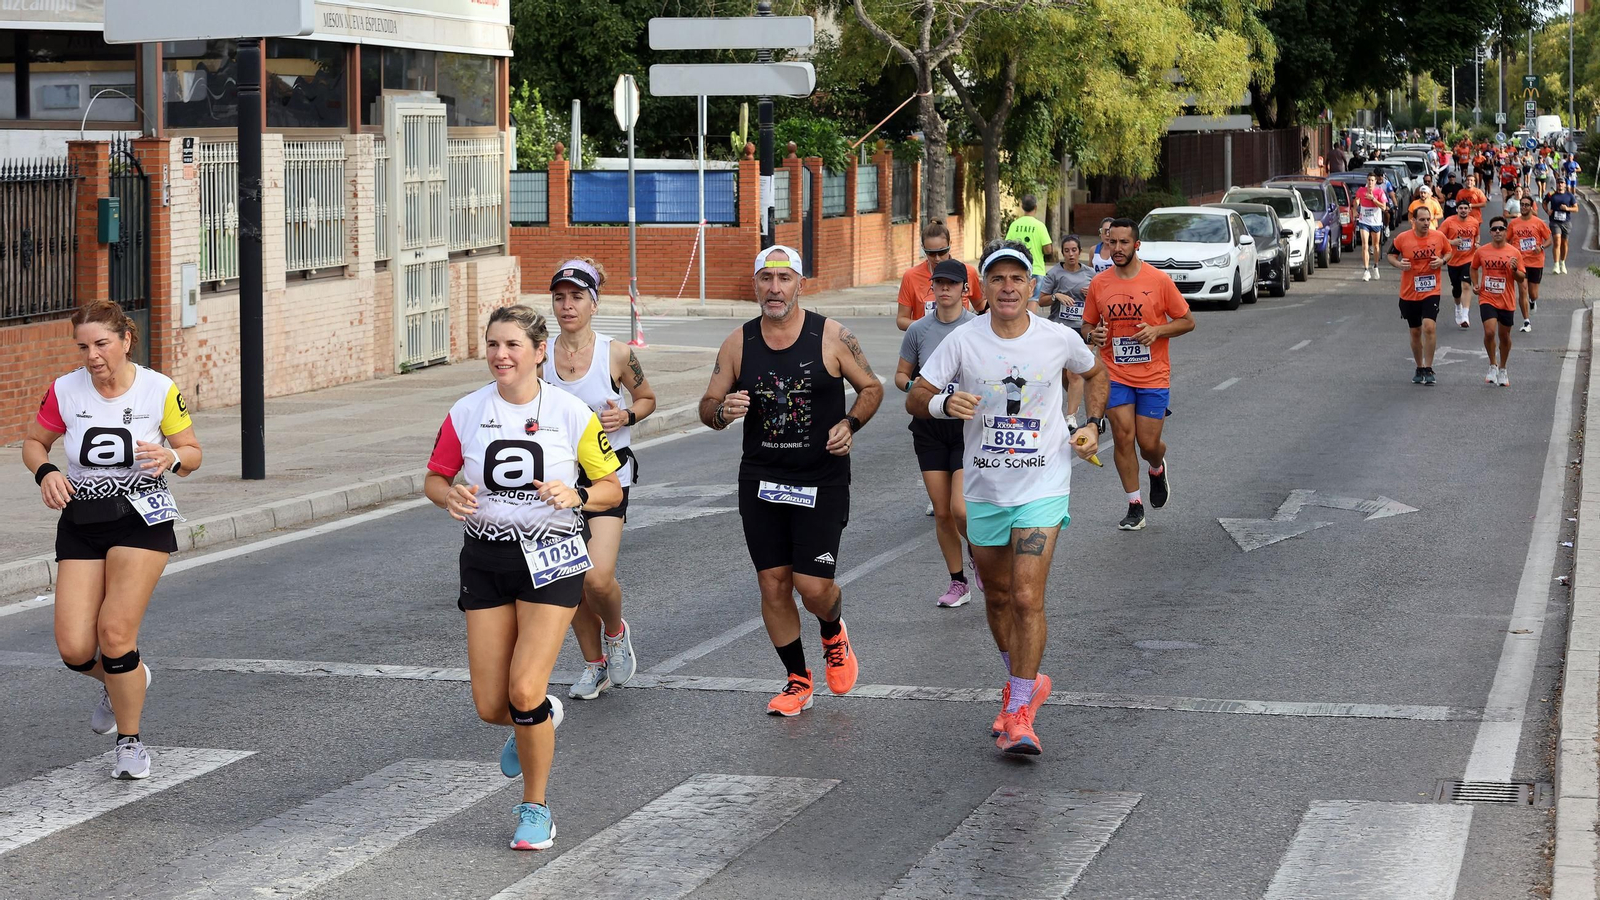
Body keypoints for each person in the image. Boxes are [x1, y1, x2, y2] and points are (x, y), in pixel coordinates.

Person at [426, 304, 624, 852]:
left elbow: (611, 487)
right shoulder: (465, 411)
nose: (500, 355)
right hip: (486, 559)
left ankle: (535, 809)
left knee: (523, 688)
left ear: (540, 352)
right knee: (492, 706)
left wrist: (577, 494)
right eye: (493, 344)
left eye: (512, 345)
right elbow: (434, 478)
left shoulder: (569, 412)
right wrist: (451, 495)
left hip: (552, 556)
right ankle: (540, 718)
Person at [907, 239, 1108, 756]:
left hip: (1043, 485)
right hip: (984, 488)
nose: (1008, 287)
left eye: (1017, 278)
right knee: (996, 597)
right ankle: (1022, 681)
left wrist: (1091, 425)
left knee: (1025, 596)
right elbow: (916, 395)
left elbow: (1095, 372)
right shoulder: (963, 341)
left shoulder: (1056, 338)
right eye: (997, 279)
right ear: (985, 287)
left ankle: (1020, 710)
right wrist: (947, 402)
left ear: (1030, 285)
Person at [699, 245, 883, 716]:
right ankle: (797, 679)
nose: (774, 288)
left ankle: (833, 630)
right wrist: (722, 412)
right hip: (762, 478)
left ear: (800, 283)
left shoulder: (832, 336)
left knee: (813, 586)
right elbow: (708, 404)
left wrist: (850, 425)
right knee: (773, 583)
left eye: (783, 279)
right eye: (765, 279)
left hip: (821, 478)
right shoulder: (739, 343)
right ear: (755, 284)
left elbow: (872, 387)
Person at [23, 300, 201, 781]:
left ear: (126, 339)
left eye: (101, 343)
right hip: (82, 518)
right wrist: (46, 472)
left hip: (142, 516)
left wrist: (170, 457)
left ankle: (129, 742)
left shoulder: (158, 388)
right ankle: (127, 677)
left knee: (115, 634)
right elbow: (34, 443)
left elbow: (193, 452)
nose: (93, 355)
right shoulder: (65, 389)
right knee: (76, 650)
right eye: (83, 346)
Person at [543, 259, 654, 701]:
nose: (567, 306)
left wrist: (625, 414)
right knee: (569, 578)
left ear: (594, 301)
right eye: (559, 297)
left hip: (608, 475)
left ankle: (615, 630)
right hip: (557, 484)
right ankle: (594, 666)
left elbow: (646, 397)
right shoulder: (539, 354)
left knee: (597, 578)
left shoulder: (617, 354)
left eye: (576, 297)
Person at [1081, 218, 1196, 532]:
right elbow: (1087, 326)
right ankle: (1134, 504)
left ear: (1136, 245)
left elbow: (1187, 321)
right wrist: (1094, 337)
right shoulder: (1099, 284)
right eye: (1112, 242)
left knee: (1148, 444)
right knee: (1122, 436)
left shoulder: (1158, 281)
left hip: (1153, 376)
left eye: (1123, 243)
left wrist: (1158, 330)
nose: (1117, 249)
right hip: (1113, 373)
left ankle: (1156, 468)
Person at [895, 259, 980, 608]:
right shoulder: (919, 330)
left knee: (961, 510)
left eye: (951, 284)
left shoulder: (978, 328)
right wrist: (919, 388)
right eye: (939, 283)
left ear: (965, 289)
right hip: (929, 428)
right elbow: (901, 376)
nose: (944, 290)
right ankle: (958, 582)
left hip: (966, 429)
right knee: (942, 512)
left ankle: (979, 556)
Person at [1036, 234, 1095, 430]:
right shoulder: (1054, 274)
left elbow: (1100, 301)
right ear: (1063, 252)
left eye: (1074, 250)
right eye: (1067, 251)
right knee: (1064, 376)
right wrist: (1056, 295)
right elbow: (1041, 300)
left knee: (1075, 373)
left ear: (1080, 252)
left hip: (1082, 328)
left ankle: (1070, 417)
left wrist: (1092, 294)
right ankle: (1078, 399)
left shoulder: (1090, 273)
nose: (1071, 254)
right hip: (1059, 328)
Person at [1387, 205, 1451, 384]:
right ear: (1413, 221)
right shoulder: (1402, 238)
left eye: (1428, 219)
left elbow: (1449, 252)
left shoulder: (1438, 236)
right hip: (1409, 292)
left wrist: (1442, 260)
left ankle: (1429, 368)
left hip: (1431, 290)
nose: (1425, 223)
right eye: (1421, 219)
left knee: (1429, 327)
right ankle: (1419, 367)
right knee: (1415, 331)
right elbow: (1391, 255)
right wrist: (1399, 264)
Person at [896, 220, 983, 331]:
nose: (937, 258)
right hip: (926, 342)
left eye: (942, 252)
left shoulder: (968, 272)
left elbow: (981, 306)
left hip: (958, 342)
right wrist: (929, 327)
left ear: (950, 244)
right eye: (931, 253)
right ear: (923, 249)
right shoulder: (911, 276)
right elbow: (902, 320)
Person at [1471, 216, 1525, 387]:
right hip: (1487, 297)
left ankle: (1503, 368)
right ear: (1490, 232)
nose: (1497, 232)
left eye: (1501, 228)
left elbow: (1521, 277)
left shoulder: (1514, 252)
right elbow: (1473, 267)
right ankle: (1492, 365)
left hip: (1506, 299)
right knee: (1489, 332)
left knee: (1505, 336)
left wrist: (1515, 269)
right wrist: (1476, 283)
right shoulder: (1482, 251)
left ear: (1505, 231)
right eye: (1494, 229)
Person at [1505, 199, 1550, 333]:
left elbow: (1549, 239)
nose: (1524, 207)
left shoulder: (1539, 223)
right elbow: (1507, 240)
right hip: (1520, 262)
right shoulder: (1513, 223)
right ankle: (1526, 321)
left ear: (1531, 207)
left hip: (1536, 261)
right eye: (1522, 205)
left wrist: (1541, 246)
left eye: (1526, 205)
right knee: (1522, 289)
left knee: (1533, 293)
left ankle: (1532, 300)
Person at [1438, 201, 1481, 329]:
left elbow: (1477, 235)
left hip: (1469, 259)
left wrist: (1477, 243)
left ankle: (1465, 316)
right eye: (1460, 208)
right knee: (1456, 289)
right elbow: (1439, 237)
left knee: (1466, 285)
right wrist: (1452, 241)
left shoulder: (1474, 222)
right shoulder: (1449, 222)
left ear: (1469, 210)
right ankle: (1458, 307)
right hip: (1452, 260)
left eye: (1465, 208)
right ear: (1457, 210)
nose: (1463, 210)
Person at [1004, 194, 1052, 302]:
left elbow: (1007, 245)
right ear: (1035, 207)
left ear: (1022, 207)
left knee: (1018, 300)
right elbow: (1048, 250)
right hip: (1036, 269)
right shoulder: (1040, 226)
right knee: (1033, 300)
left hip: (1017, 267)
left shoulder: (1014, 225)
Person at [1354, 172, 1388, 281]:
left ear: (1375, 182)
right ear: (1366, 181)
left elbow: (1383, 207)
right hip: (1364, 221)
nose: (1370, 182)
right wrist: (1355, 209)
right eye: (1369, 180)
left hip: (1376, 222)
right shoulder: (1361, 190)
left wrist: (1373, 199)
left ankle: (1376, 266)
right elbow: (1357, 200)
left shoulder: (1380, 192)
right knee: (1365, 245)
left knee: (1376, 246)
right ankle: (1366, 270)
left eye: (1372, 180)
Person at [1546, 182, 1579, 274]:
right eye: (1558, 183)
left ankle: (1562, 263)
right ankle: (1556, 265)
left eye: (1562, 183)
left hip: (1566, 222)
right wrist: (1547, 211)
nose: (1560, 185)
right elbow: (1544, 203)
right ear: (1556, 185)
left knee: (1564, 243)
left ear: (1565, 185)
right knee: (1557, 241)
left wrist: (1567, 209)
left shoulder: (1570, 195)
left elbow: (1576, 209)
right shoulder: (1551, 194)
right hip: (1554, 222)